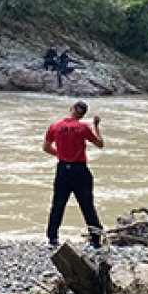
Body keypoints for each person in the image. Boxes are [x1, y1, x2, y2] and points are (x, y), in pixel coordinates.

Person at [43, 101, 105, 248]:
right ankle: (96, 240)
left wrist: (61, 154)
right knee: (87, 205)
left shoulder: (55, 127)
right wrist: (96, 126)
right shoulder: (83, 128)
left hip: (63, 169)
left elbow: (45, 147)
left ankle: (52, 239)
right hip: (80, 170)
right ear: (83, 115)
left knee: (58, 204)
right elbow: (100, 144)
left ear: (70, 109)